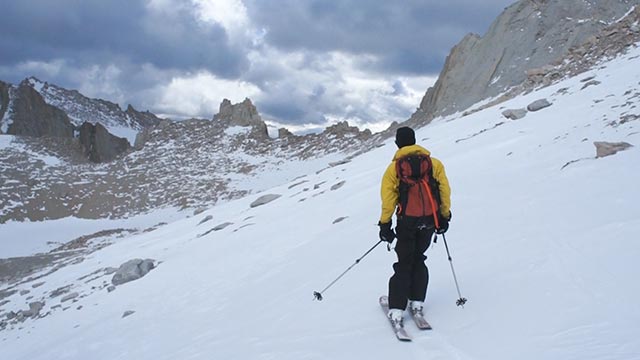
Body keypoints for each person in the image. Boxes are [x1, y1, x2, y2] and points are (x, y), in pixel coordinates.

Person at [378, 126, 452, 328]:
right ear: (414, 140)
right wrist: (444, 216)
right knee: (419, 258)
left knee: (404, 262)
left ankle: (397, 310)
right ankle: (417, 302)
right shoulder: (433, 163)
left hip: (407, 222)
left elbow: (388, 199)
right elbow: (444, 190)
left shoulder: (393, 169)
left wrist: (385, 224)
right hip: (429, 220)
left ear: (397, 144)